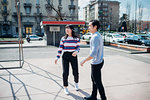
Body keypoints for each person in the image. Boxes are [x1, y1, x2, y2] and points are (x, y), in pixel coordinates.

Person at [80, 20, 107, 100]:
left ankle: (103, 98)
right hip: (99, 61)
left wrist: (84, 60)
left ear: (95, 27)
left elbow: (93, 53)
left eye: (89, 26)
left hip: (96, 63)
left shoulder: (95, 37)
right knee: (94, 80)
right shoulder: (97, 35)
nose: (88, 28)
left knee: (98, 82)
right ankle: (93, 96)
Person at [55, 24, 80, 95]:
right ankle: (65, 87)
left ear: (72, 29)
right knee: (65, 73)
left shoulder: (76, 38)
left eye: (68, 28)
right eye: (66, 28)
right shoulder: (63, 38)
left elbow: (78, 47)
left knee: (75, 72)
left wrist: (76, 51)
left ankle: (76, 83)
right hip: (65, 56)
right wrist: (57, 57)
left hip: (73, 55)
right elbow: (60, 48)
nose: (66, 30)